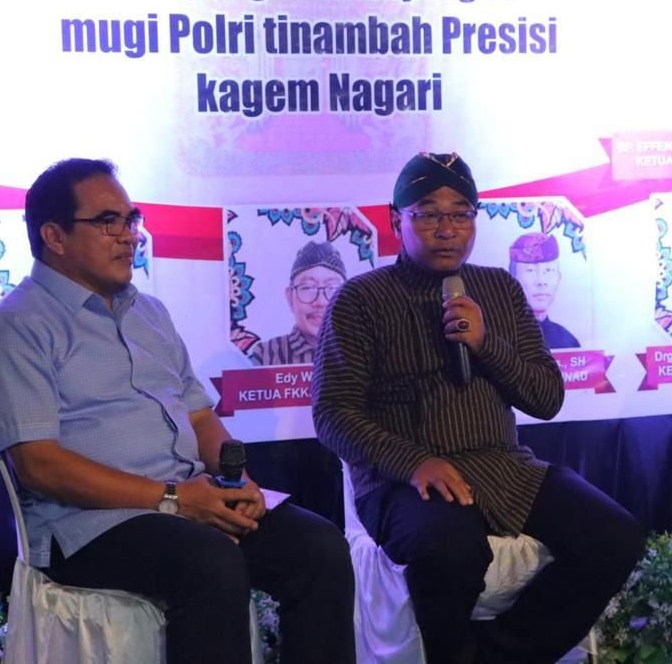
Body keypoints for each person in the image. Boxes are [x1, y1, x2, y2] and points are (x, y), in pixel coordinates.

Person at [0, 159, 355, 664]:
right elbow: (40, 466)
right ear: (54, 236)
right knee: (209, 561)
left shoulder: (149, 313)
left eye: (131, 219)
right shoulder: (14, 329)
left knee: (319, 547)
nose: (129, 236)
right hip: (89, 525)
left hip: (189, 499)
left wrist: (238, 484)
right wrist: (174, 500)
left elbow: (200, 418)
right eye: (108, 221)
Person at [312, 152, 643, 664]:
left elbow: (546, 398)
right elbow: (333, 414)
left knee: (614, 536)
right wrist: (414, 462)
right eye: (428, 213)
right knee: (451, 551)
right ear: (396, 221)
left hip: (504, 468)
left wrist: (486, 342)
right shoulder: (360, 300)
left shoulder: (501, 289)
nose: (447, 229)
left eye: (461, 214)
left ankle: (495, 656)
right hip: (405, 482)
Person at [248, 240, 347, 366]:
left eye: (332, 288)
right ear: (290, 298)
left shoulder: (363, 350)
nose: (321, 302)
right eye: (308, 288)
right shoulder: (265, 355)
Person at [508, 232, 580, 349]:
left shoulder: (567, 341)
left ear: (559, 278)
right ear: (512, 277)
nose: (541, 281)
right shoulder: (499, 337)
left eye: (548, 270)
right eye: (530, 271)